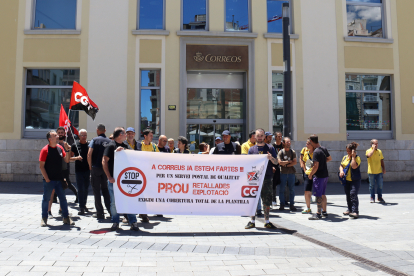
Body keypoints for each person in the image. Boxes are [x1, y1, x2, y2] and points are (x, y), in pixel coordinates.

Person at [103, 127, 139, 231]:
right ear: (120, 135)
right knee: (114, 202)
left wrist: (125, 150)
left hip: (125, 180)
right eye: (124, 134)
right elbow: (104, 161)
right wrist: (109, 176)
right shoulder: (110, 146)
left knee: (129, 200)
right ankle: (115, 222)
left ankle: (133, 222)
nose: (126, 135)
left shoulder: (125, 145)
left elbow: (133, 154)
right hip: (114, 180)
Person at [39, 130, 74, 226]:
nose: (57, 136)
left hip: (59, 179)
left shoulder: (59, 148)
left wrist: (68, 150)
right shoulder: (45, 150)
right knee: (46, 199)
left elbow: (66, 160)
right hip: (49, 180)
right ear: (50, 139)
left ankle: (66, 217)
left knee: (63, 199)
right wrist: (47, 179)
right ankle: (44, 218)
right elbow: (41, 166)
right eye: (55, 135)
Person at [245, 129, 278, 229]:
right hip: (254, 178)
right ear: (255, 136)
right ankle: (252, 221)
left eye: (261, 135)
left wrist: (271, 158)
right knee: (253, 200)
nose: (259, 137)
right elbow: (247, 163)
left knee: (266, 200)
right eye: (258, 135)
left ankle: (267, 221)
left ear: (264, 137)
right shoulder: (251, 150)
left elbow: (276, 162)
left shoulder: (270, 148)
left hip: (267, 177)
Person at [87, 124, 111, 220]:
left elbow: (89, 154)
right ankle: (110, 211)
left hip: (96, 168)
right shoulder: (110, 141)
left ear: (97, 130)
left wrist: (90, 166)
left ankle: (100, 213)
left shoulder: (94, 140)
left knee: (96, 191)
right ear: (105, 130)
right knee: (106, 190)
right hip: (106, 169)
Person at [308, 134, 332, 220]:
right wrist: (322, 161)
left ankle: (318, 213)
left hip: (319, 176)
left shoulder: (316, 152)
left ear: (311, 141)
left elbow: (315, 166)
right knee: (323, 194)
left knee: (318, 195)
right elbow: (329, 158)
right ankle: (324, 212)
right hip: (325, 175)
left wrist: (310, 174)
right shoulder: (323, 148)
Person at [241, 130, 262, 215]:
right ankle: (246, 208)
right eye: (255, 137)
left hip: (257, 170)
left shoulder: (259, 145)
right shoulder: (245, 145)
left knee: (257, 189)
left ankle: (259, 208)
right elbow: (244, 158)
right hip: (248, 171)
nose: (256, 138)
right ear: (251, 137)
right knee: (247, 190)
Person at [70, 129, 90, 216]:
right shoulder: (75, 145)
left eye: (85, 135)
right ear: (79, 136)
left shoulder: (89, 145)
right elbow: (69, 158)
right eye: (82, 135)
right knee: (81, 189)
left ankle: (84, 204)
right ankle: (81, 207)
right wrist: (76, 158)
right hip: (79, 170)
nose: (84, 137)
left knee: (86, 189)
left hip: (87, 170)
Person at [56, 127, 78, 204]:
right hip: (56, 168)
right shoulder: (54, 144)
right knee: (55, 182)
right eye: (59, 133)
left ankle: (77, 194)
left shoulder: (67, 145)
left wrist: (76, 158)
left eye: (62, 132)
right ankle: (54, 198)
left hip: (65, 167)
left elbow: (70, 157)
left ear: (64, 134)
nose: (60, 134)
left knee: (67, 183)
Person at [340, 142, 362, 219]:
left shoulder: (357, 158)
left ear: (353, 151)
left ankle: (355, 211)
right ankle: (349, 209)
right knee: (348, 195)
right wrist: (341, 171)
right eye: (347, 151)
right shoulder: (345, 157)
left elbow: (354, 166)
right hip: (346, 180)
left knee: (353, 194)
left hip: (355, 180)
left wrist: (353, 157)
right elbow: (341, 165)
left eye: (349, 151)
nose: (347, 152)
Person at [277, 137, 297, 211]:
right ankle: (282, 204)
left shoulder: (292, 152)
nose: (288, 143)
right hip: (283, 173)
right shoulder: (281, 152)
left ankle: (292, 204)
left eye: (289, 142)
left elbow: (295, 162)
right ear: (283, 143)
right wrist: (289, 162)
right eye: (287, 142)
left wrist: (285, 164)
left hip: (291, 173)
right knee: (282, 189)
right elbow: (279, 162)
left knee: (291, 189)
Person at [300, 139, 315, 214]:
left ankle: (321, 209)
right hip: (307, 173)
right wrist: (304, 169)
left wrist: (312, 173)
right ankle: (308, 207)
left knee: (319, 192)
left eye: (308, 143)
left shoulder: (316, 152)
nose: (306, 145)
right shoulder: (305, 151)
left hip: (315, 174)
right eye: (306, 143)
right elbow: (302, 160)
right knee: (306, 190)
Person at [271, 132, 283, 206]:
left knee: (283, 184)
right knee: (274, 184)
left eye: (281, 136)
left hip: (283, 167)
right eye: (278, 136)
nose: (280, 138)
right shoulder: (272, 146)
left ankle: (284, 200)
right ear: (275, 137)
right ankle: (273, 200)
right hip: (275, 167)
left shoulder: (283, 145)